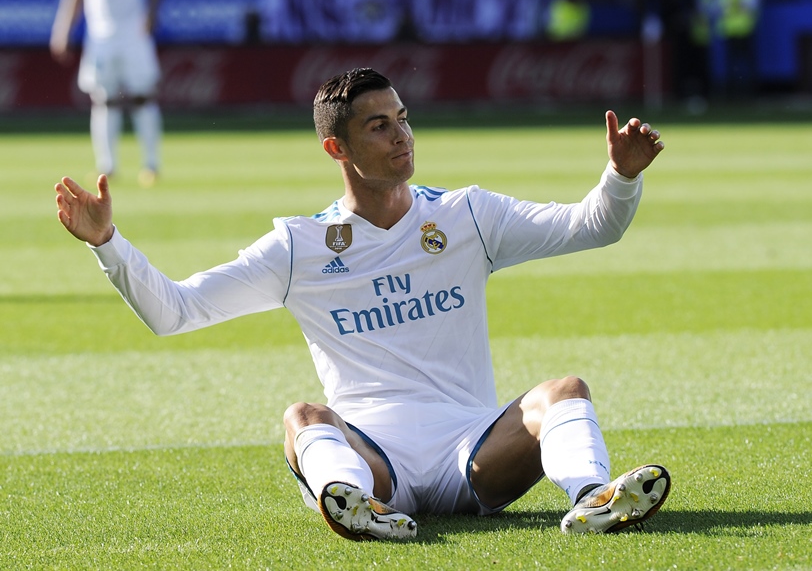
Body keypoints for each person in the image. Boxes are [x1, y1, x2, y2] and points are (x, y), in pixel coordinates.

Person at [55, 68, 670, 540]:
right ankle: (357, 509)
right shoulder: (299, 247)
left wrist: (620, 177)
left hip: (475, 455)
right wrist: (107, 243)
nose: (401, 135)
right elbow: (175, 311)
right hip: (375, 459)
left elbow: (592, 226)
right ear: (336, 149)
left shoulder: (468, 215)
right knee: (302, 416)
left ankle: (594, 498)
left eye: (402, 117)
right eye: (379, 125)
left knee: (565, 390)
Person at [50, 0, 164, 188]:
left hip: (134, 36)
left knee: (143, 98)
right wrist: (62, 30)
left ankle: (151, 165)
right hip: (100, 38)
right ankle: (107, 167)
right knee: (104, 100)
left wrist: (151, 14)